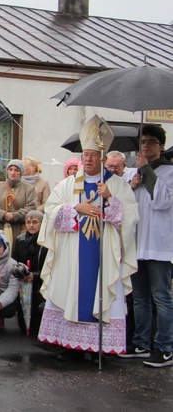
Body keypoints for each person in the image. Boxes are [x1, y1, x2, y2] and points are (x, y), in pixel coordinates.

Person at [37, 115, 138, 360]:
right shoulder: (68, 184)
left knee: (101, 290)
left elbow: (132, 217)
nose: (89, 159)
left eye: (94, 155)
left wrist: (110, 199)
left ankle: (98, 348)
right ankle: (69, 345)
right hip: (72, 253)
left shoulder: (117, 185)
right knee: (70, 290)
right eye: (86, 155)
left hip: (104, 253)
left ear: (103, 157)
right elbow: (49, 211)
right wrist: (75, 209)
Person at [125, 124, 173, 367]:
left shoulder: (169, 171)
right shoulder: (134, 173)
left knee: (162, 298)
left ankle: (165, 347)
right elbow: (125, 206)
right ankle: (141, 343)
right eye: (143, 142)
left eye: (151, 142)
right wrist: (131, 186)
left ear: (161, 145)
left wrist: (146, 168)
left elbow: (163, 201)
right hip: (137, 245)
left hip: (159, 246)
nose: (146, 146)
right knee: (140, 298)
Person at [13, 210, 46, 337]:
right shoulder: (20, 240)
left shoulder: (46, 242)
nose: (31, 225)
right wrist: (21, 273)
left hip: (40, 280)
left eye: (35, 222)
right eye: (28, 222)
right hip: (24, 279)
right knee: (23, 324)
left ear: (42, 224)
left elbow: (48, 265)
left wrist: (35, 275)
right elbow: (15, 260)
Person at [0, 159, 37, 239]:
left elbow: (31, 207)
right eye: (10, 169)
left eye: (16, 170)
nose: (13, 173)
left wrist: (15, 216)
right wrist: (3, 214)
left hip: (20, 231)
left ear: (21, 172)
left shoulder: (29, 189)